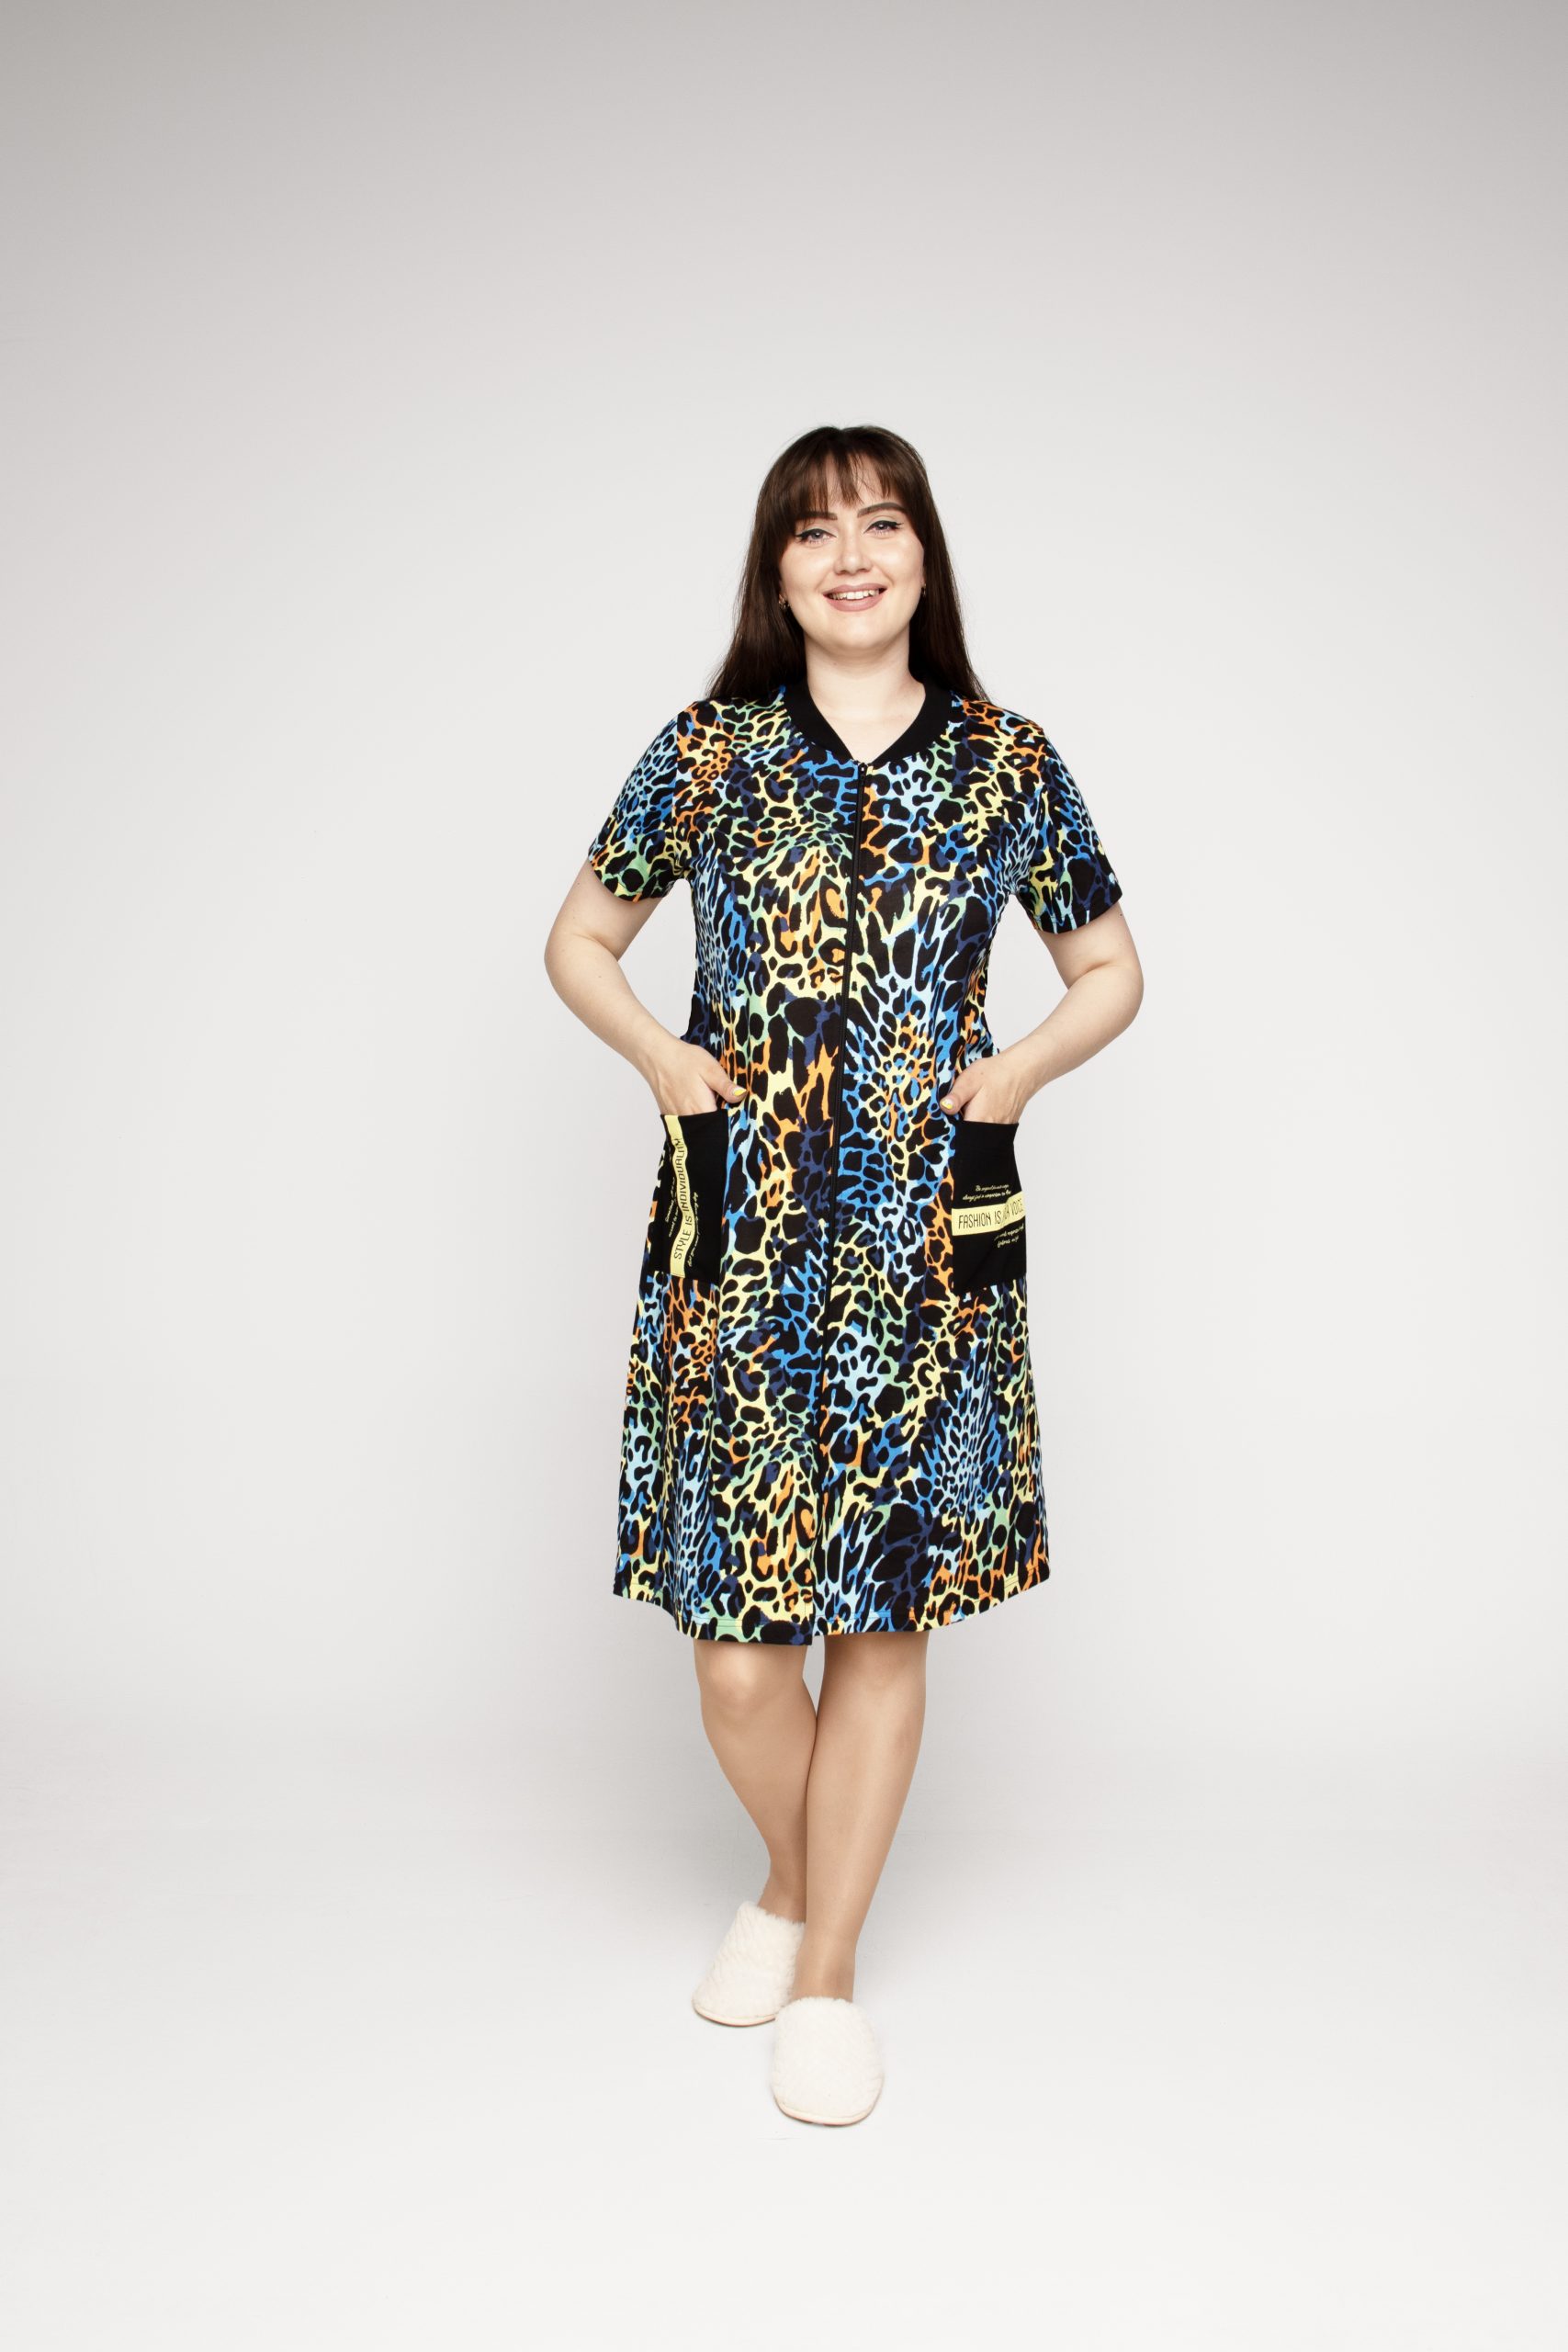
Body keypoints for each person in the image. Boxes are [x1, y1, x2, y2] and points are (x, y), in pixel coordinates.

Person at [544, 424, 1144, 2126]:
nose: (853, 556)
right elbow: (579, 940)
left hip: (924, 1254)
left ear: (925, 558)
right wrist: (665, 1058)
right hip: (740, 1243)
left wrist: (1010, 1077)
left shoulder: (1007, 762)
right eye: (816, 534)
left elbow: (1109, 969)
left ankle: (825, 1975)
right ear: (778, 573)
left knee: (881, 1620)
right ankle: (799, 1882)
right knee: (740, 1654)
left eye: (883, 525)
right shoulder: (711, 751)